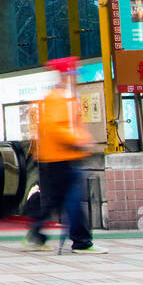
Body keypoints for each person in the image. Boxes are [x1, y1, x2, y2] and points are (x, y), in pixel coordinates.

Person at [25, 57, 107, 254]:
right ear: (65, 75)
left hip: (59, 158)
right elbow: (57, 128)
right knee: (71, 200)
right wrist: (78, 141)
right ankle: (81, 241)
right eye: (73, 73)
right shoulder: (58, 99)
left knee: (57, 201)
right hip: (61, 158)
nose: (75, 78)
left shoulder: (62, 98)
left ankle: (37, 234)